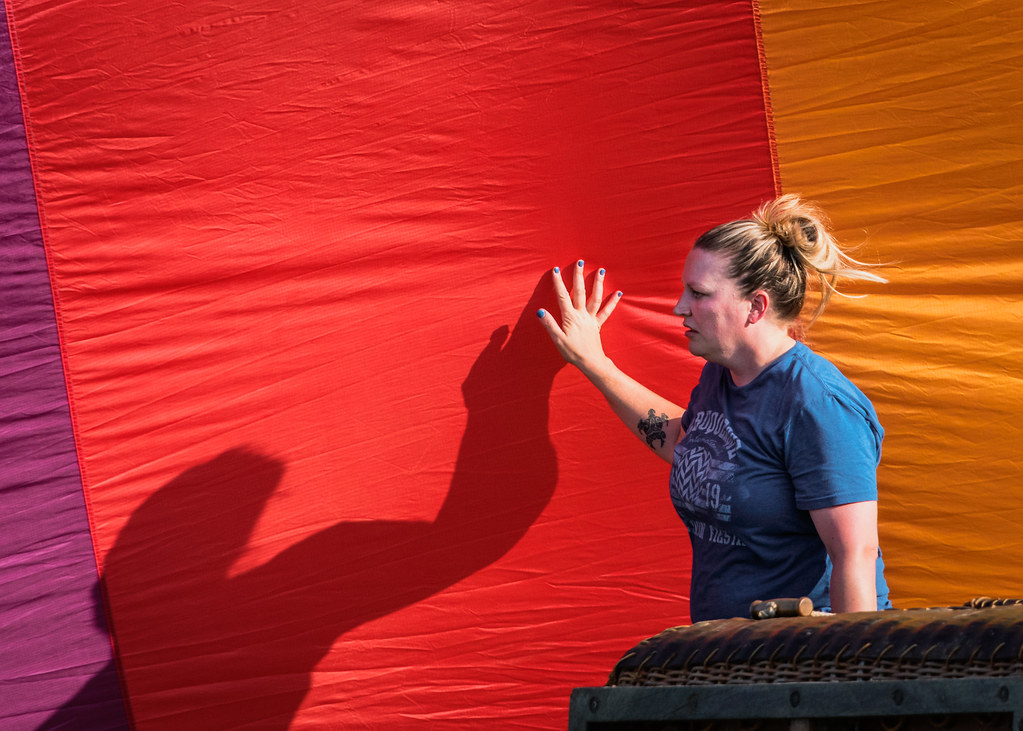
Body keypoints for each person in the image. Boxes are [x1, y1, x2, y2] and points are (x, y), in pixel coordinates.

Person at [536, 194, 892, 622]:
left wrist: (846, 658)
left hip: (803, 652)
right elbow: (685, 443)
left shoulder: (819, 405)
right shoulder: (720, 375)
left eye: (698, 293)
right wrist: (594, 363)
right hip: (728, 648)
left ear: (756, 306)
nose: (679, 307)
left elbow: (855, 553)